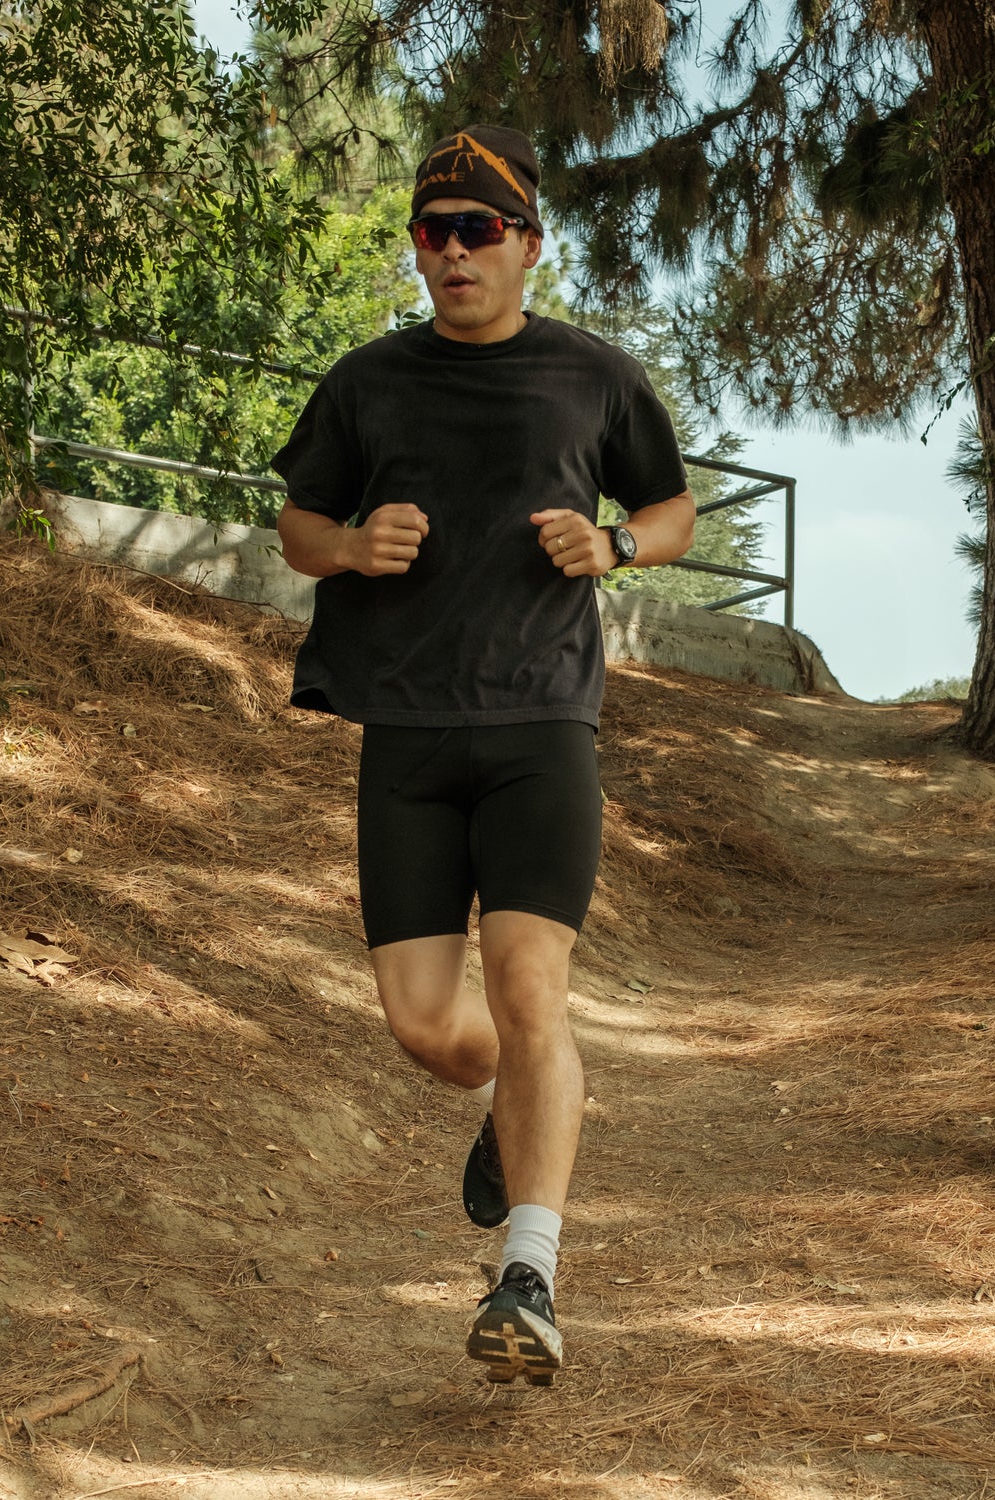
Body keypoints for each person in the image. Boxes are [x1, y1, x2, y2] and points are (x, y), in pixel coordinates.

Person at [272, 124, 694, 1386]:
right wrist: (347, 549)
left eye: (478, 229)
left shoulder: (593, 379)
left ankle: (530, 1273)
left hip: (540, 728)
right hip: (403, 732)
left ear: (526, 246)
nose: (453, 252)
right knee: (424, 1026)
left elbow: (672, 510)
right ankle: (517, 1109)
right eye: (432, 231)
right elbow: (297, 522)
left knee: (528, 989)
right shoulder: (367, 383)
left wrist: (615, 547)